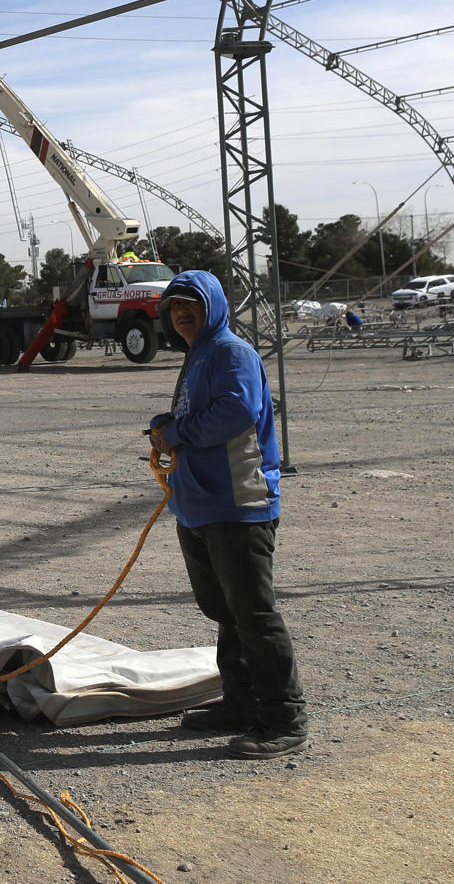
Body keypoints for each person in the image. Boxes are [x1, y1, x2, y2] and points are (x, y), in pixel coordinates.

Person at [147, 270, 308, 758]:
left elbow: (236, 414)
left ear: (213, 305)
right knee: (225, 612)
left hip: (238, 504)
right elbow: (197, 417)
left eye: (190, 303)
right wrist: (167, 426)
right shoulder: (198, 357)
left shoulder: (231, 352)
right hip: (199, 505)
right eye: (174, 306)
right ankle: (241, 704)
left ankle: (284, 717)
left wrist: (178, 431)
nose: (181, 313)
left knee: (254, 614)